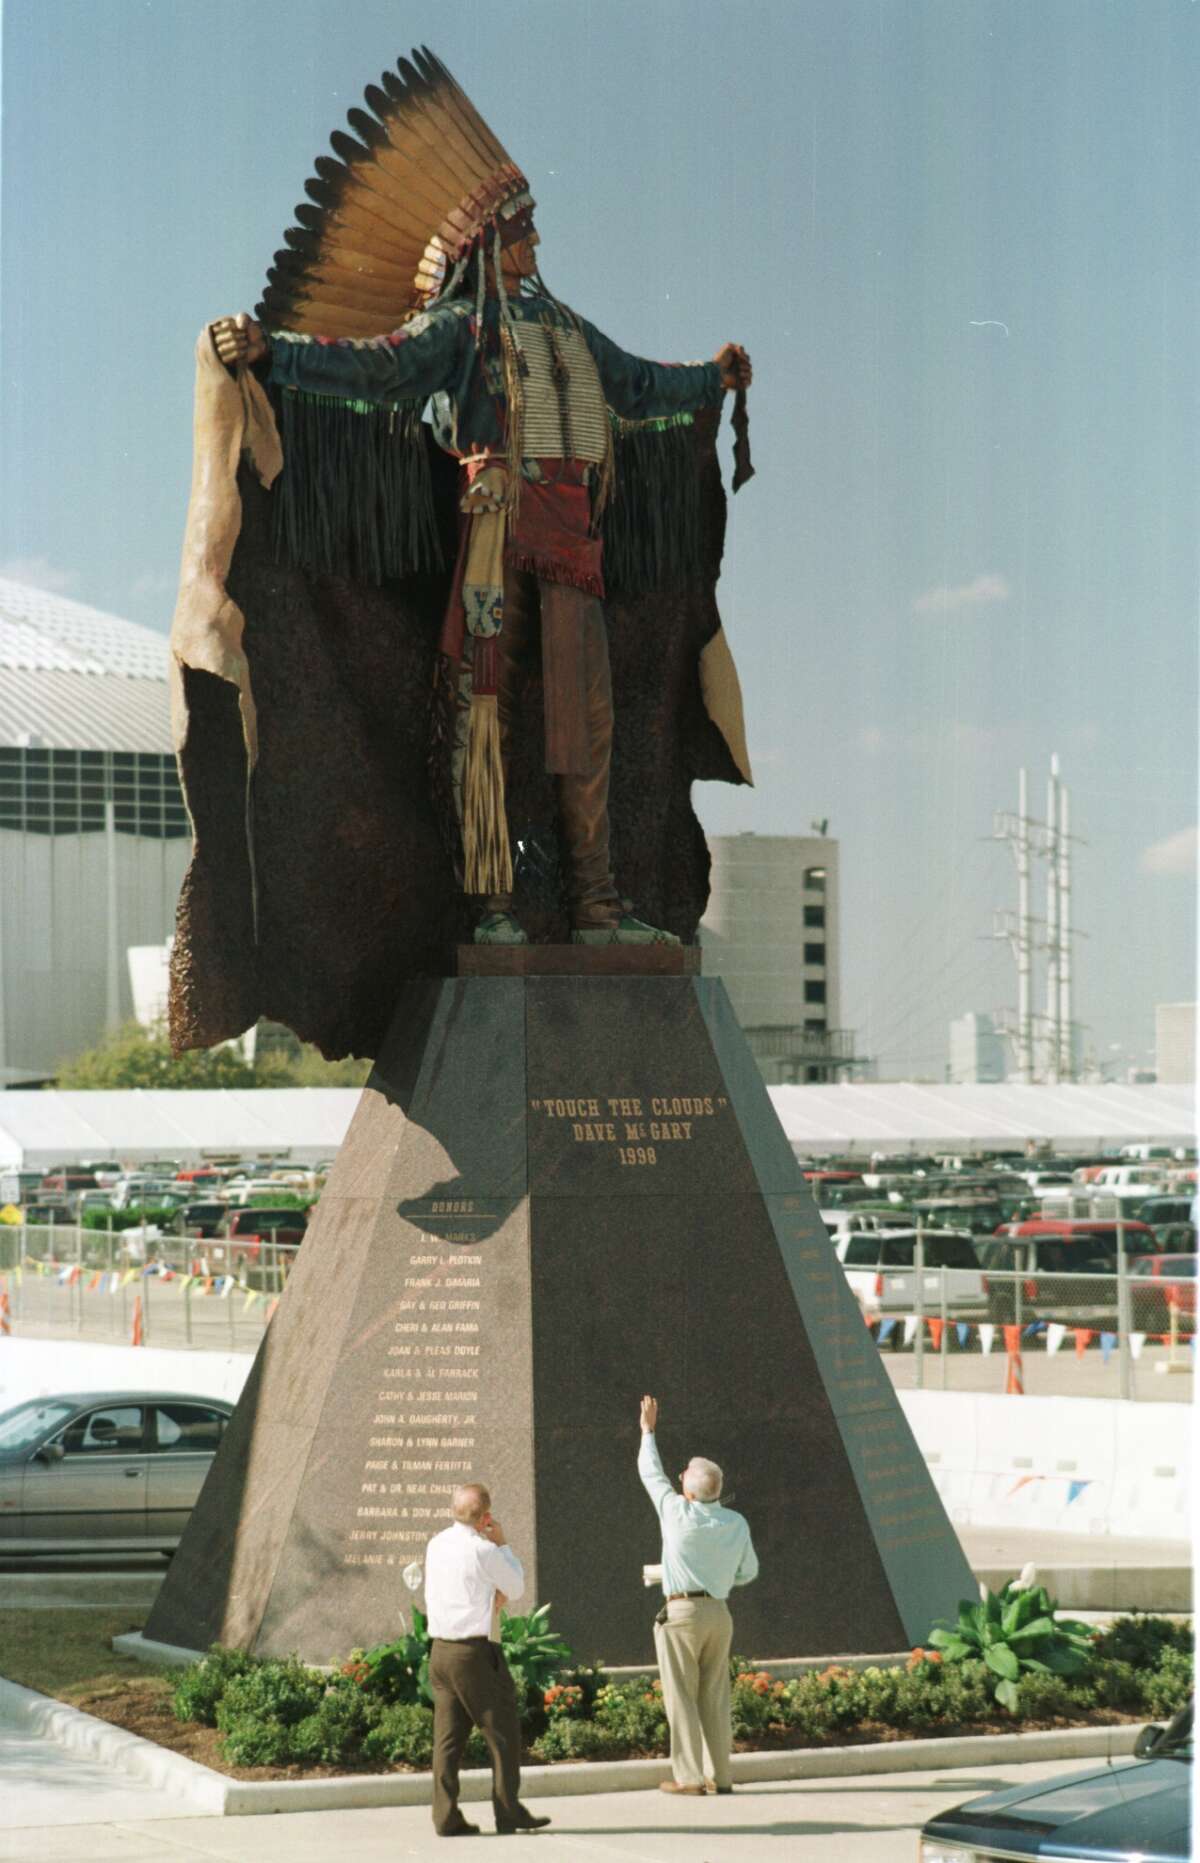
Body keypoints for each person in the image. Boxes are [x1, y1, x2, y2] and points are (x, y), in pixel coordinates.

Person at [204, 45, 751, 955]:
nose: (536, 240)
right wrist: (274, 351)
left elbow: (638, 386)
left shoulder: (568, 330)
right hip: (494, 539)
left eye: (532, 225)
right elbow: (375, 367)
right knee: (481, 717)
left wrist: (711, 377)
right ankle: (492, 906)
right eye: (522, 227)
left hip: (574, 552)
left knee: (586, 729)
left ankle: (598, 908)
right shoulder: (456, 330)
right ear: (486, 244)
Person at [637, 1394, 759, 1797]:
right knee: (715, 1696)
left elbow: (651, 1474)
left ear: (689, 1492)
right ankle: (720, 1776)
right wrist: (718, 1578)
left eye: (683, 1476)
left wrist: (648, 1431)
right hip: (719, 1613)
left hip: (682, 1614)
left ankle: (689, 1777)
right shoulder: (736, 1523)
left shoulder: (676, 1512)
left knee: (681, 1696)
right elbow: (749, 1572)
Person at [422, 1481, 550, 1838]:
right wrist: (502, 1543)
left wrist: (490, 1593)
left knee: (447, 1740)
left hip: (440, 1651)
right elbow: (516, 1586)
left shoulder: (436, 1543)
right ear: (485, 1518)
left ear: (453, 1510)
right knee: (502, 1733)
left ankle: (445, 1816)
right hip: (474, 1653)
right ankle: (508, 1813)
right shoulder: (484, 1550)